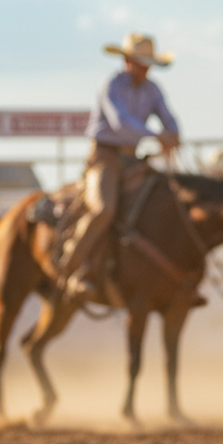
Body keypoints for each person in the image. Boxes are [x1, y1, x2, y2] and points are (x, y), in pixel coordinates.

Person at [57, 33, 180, 304]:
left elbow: (168, 117)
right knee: (104, 208)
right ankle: (70, 265)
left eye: (148, 64)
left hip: (132, 158)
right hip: (104, 157)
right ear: (127, 61)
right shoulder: (111, 85)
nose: (144, 69)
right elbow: (120, 121)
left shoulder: (152, 90)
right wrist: (158, 136)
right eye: (140, 62)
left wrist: (174, 133)